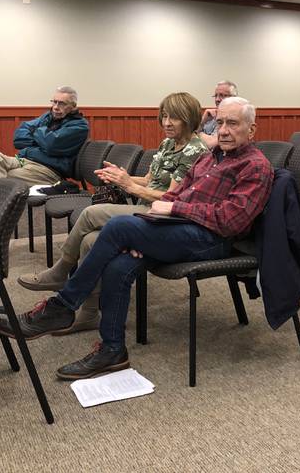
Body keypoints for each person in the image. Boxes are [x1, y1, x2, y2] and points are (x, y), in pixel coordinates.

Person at [0, 97, 273, 379]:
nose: (223, 130)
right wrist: (149, 228)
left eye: (232, 124)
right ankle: (113, 349)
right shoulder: (209, 158)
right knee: (120, 264)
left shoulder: (255, 166)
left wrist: (173, 209)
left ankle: (62, 306)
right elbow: (175, 194)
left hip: (212, 240)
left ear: (251, 130)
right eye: (221, 122)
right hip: (178, 228)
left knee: (118, 228)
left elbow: (230, 220)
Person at [16, 92, 209, 333]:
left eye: (175, 118)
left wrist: (129, 185)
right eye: (164, 116)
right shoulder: (168, 143)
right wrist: (122, 178)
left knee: (90, 214)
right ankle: (88, 315)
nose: (167, 123)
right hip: (144, 206)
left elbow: (172, 197)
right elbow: (149, 181)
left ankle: (61, 270)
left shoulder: (195, 150)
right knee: (89, 241)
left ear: (189, 119)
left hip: (163, 216)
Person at [0, 86, 88, 185]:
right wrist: (40, 141)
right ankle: (0, 201)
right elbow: (19, 137)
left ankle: (3, 201)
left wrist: (36, 132)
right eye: (54, 102)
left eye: (61, 104)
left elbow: (50, 145)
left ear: (73, 106)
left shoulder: (79, 126)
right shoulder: (48, 117)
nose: (55, 107)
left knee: (9, 177)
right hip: (25, 160)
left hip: (49, 170)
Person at [199, 80, 237, 149]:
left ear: (233, 98)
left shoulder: (236, 117)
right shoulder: (210, 116)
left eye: (222, 95)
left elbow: (211, 145)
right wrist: (202, 121)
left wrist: (196, 134)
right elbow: (188, 137)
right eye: (215, 96)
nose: (217, 99)